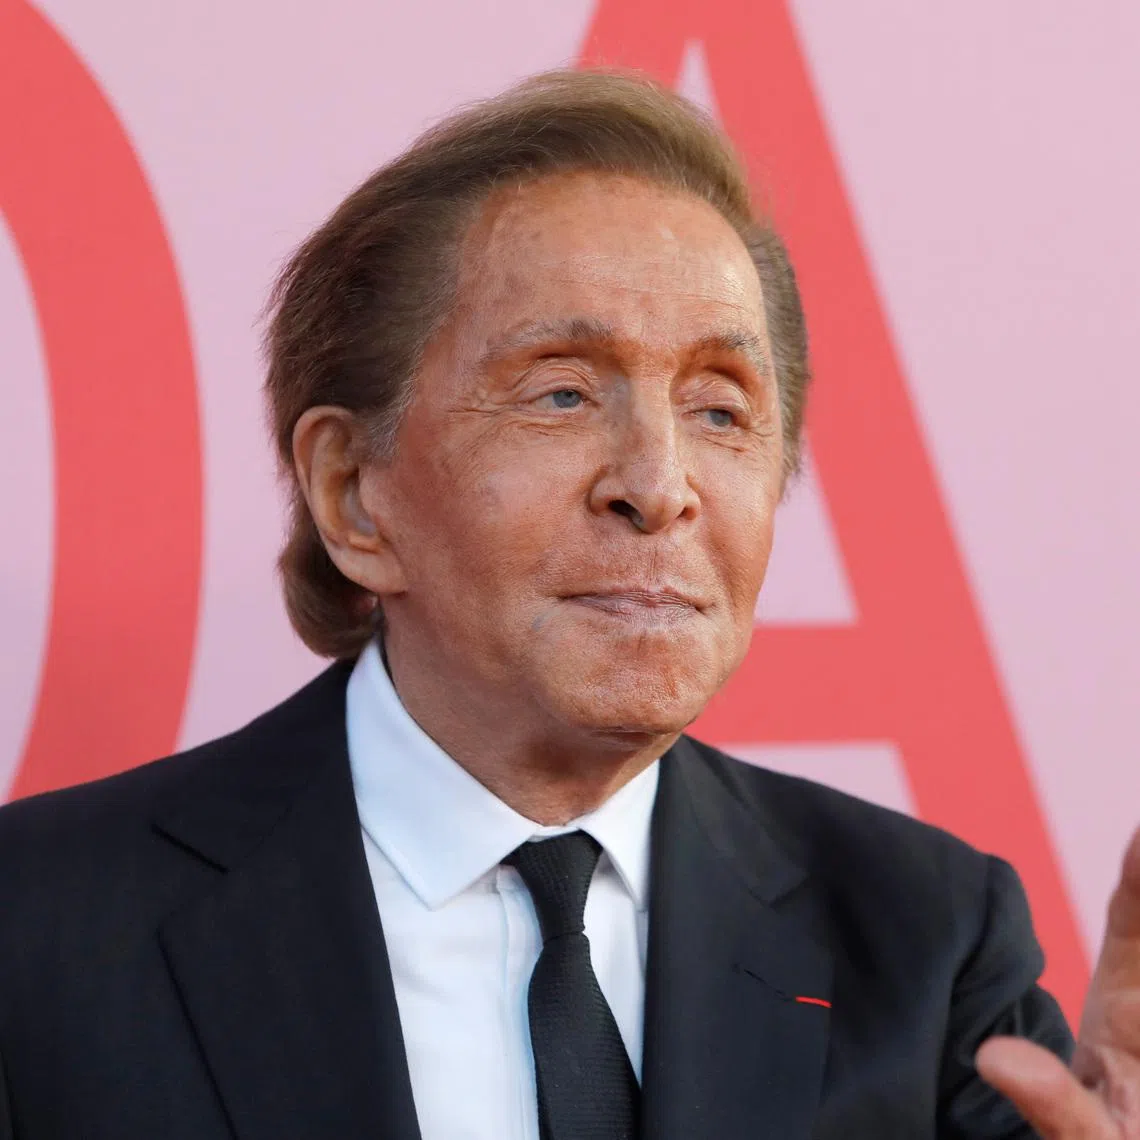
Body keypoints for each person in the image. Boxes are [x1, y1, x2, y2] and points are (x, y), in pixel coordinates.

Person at [0, 69, 1136, 1140]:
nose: (658, 485)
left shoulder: (924, 940)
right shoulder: (39, 934)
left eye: (722, 411)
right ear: (354, 494)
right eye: (561, 392)